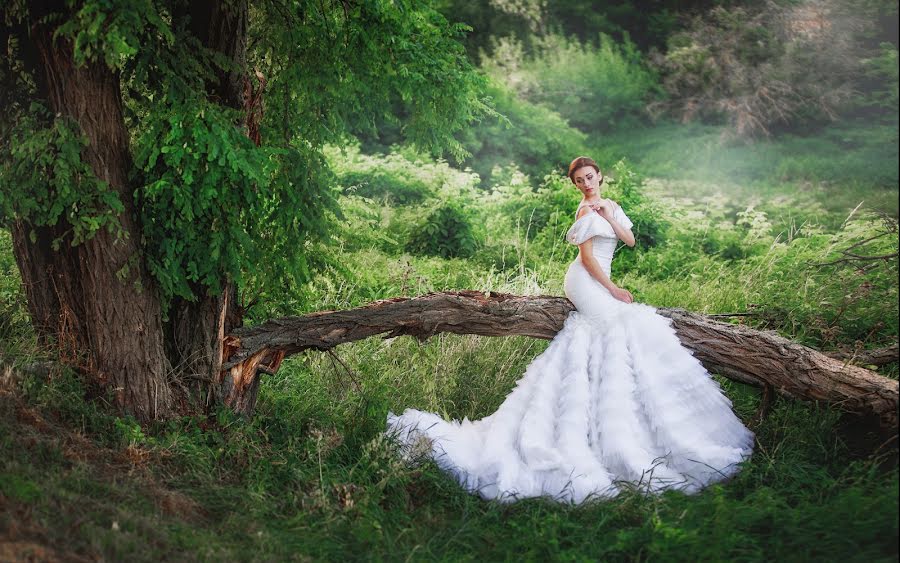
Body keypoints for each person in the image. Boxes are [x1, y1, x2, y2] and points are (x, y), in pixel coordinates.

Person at [385, 156, 754, 504]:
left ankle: (617, 410)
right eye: (579, 181)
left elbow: (630, 240)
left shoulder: (607, 206)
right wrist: (613, 289)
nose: (585, 185)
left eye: (589, 178)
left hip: (601, 280)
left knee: (620, 329)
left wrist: (609, 214)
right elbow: (588, 259)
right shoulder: (582, 211)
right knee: (622, 322)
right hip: (586, 282)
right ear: (576, 185)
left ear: (600, 176)